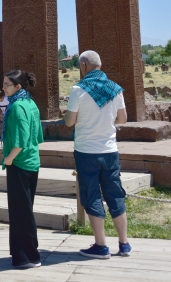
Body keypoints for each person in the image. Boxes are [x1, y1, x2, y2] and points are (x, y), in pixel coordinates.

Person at [64, 50, 131, 259]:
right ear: (99, 65)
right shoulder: (114, 89)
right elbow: (122, 119)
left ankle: (101, 245)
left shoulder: (78, 90)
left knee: (92, 195)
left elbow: (69, 122)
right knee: (115, 194)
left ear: (84, 66)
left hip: (87, 151)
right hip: (110, 150)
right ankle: (124, 243)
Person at [1, 70, 43, 268]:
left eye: (7, 85)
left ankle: (27, 257)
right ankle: (23, 252)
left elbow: (22, 139)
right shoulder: (30, 103)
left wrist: (9, 159)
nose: (4, 88)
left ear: (18, 86)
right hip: (32, 161)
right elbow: (38, 136)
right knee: (25, 211)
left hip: (19, 163)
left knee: (20, 213)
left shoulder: (17, 107)